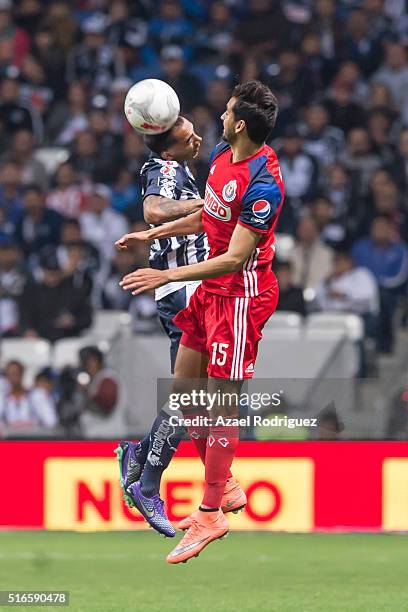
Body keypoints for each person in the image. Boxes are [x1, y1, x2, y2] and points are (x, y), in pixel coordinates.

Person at [117, 80, 284, 564]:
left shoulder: (264, 183)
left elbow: (234, 258)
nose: (220, 116)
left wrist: (164, 272)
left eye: (229, 112)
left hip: (239, 295)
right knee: (183, 394)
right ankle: (216, 480)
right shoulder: (219, 157)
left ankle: (211, 509)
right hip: (209, 293)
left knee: (220, 404)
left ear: (242, 124)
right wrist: (153, 234)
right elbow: (207, 218)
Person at [115, 115, 210, 538]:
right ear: (168, 147)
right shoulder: (164, 169)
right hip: (182, 293)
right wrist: (205, 204)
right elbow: (154, 209)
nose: (199, 138)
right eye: (189, 135)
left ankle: (139, 462)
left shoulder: (180, 168)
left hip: (192, 291)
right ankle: (147, 482)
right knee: (191, 397)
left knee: (196, 398)